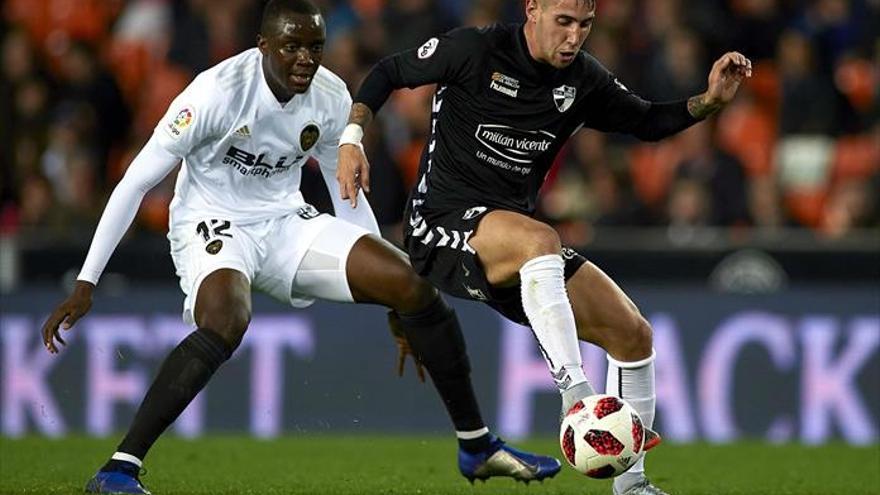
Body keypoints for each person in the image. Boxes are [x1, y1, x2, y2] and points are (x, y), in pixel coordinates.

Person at [40, 1, 561, 493]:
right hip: (213, 220)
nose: (305, 59)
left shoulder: (331, 96)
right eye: (292, 47)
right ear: (263, 44)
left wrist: (393, 299)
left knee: (413, 283)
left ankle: (477, 445)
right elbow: (135, 182)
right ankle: (119, 469)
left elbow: (344, 189)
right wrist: (87, 281)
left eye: (315, 46)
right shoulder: (215, 93)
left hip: (286, 221)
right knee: (226, 321)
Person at [336, 1, 751, 494]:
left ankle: (632, 486)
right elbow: (388, 71)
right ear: (532, 9)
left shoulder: (583, 80)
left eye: (585, 25)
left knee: (633, 334)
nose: (574, 37)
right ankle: (575, 393)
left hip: (518, 249)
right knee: (541, 239)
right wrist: (352, 138)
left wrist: (708, 101)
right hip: (439, 227)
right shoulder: (475, 49)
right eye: (564, 22)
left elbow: (646, 121)